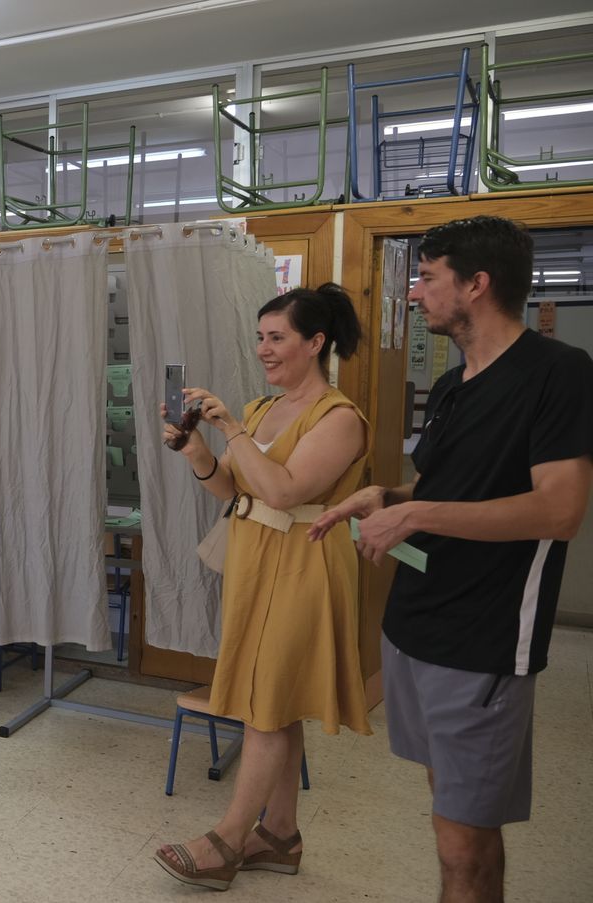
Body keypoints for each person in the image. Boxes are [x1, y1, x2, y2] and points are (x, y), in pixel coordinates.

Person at [312, 216, 593, 903]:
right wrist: (388, 495)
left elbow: (559, 510)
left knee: (462, 842)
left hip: (485, 639)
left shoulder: (557, 374)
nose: (414, 295)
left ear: (477, 284)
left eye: (428, 277)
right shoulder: (451, 386)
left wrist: (418, 512)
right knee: (454, 809)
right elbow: (444, 489)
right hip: (415, 628)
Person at [153, 284, 371, 891]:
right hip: (256, 563)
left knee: (267, 707)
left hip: (305, 566)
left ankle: (226, 840)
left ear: (316, 343)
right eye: (260, 337)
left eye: (277, 338)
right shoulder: (257, 410)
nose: (264, 350)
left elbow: (283, 491)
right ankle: (280, 834)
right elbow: (234, 490)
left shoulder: (339, 419)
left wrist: (229, 430)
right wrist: (198, 448)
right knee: (272, 699)